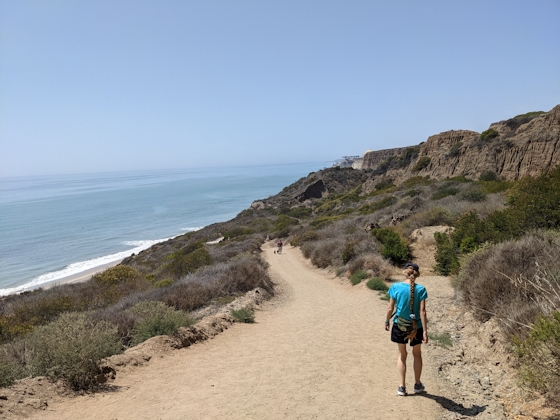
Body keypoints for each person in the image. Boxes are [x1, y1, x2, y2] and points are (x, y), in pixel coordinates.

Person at [384, 262, 428, 396]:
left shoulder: (395, 287)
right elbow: (423, 312)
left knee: (402, 355)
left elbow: (390, 308)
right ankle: (417, 384)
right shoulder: (421, 289)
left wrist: (387, 320)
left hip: (400, 325)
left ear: (405, 272)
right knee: (417, 354)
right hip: (417, 327)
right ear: (417, 273)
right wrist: (425, 331)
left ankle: (402, 387)